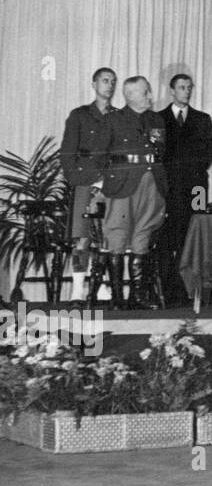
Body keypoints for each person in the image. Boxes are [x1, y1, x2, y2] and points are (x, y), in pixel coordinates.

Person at [100, 77, 169, 310]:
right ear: (129, 95)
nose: (150, 96)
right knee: (117, 236)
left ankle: (138, 295)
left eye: (149, 92)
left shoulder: (156, 119)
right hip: (122, 184)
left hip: (152, 184)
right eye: (145, 93)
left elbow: (161, 149)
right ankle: (117, 297)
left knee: (143, 236)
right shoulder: (112, 119)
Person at [55, 67, 117, 307]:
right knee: (82, 239)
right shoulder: (79, 115)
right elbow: (67, 152)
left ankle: (101, 285)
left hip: (112, 185)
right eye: (104, 80)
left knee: (108, 237)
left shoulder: (120, 116)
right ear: (94, 84)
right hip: (85, 181)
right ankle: (78, 290)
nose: (109, 85)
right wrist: (79, 180)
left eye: (112, 81)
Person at [158, 73, 212, 305]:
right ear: (172, 91)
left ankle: (193, 288)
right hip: (169, 187)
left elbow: (209, 153)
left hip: (197, 188)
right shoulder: (158, 118)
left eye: (189, 87)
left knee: (196, 227)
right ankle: (171, 288)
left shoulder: (202, 119)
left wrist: (191, 170)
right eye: (182, 87)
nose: (186, 91)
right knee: (167, 234)